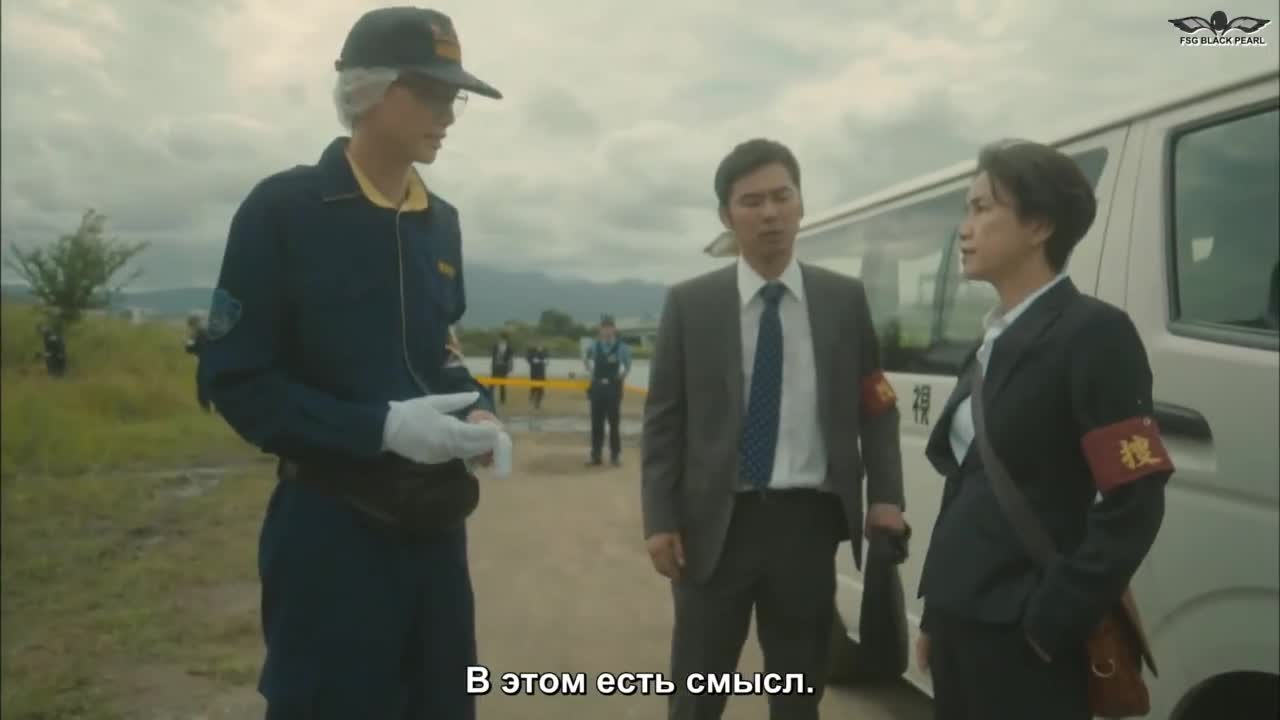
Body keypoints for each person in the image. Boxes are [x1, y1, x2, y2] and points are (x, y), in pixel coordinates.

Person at [195, 7, 508, 718]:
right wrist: (378, 429)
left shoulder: (441, 223)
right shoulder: (285, 210)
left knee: (443, 700)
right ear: (370, 90)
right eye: (431, 92)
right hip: (331, 531)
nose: (448, 115)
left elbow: (441, 357)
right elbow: (236, 380)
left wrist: (479, 410)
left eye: (454, 97)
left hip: (436, 530)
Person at [641, 138, 907, 720]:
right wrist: (660, 520)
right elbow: (663, 421)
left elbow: (876, 405)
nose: (770, 213)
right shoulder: (690, 304)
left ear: (801, 204)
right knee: (698, 690)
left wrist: (886, 496)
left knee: (797, 692)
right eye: (752, 201)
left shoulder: (842, 300)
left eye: (782, 197)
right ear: (726, 216)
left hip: (806, 525)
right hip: (715, 526)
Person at [914, 139, 1173, 720]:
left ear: (1039, 226)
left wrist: (1052, 620)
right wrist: (936, 612)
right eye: (966, 209)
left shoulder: (1095, 334)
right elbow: (967, 485)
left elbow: (1136, 499)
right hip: (960, 622)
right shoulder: (990, 341)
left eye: (982, 208)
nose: (964, 228)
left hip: (1026, 640)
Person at [584, 315, 631, 467]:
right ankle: (596, 456)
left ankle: (615, 456)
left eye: (610, 327)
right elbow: (586, 359)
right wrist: (592, 374)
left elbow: (627, 367)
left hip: (613, 387)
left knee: (614, 422)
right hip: (597, 387)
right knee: (596, 422)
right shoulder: (594, 345)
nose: (607, 330)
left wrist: (619, 379)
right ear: (600, 329)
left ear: (614, 329)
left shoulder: (622, 347)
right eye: (604, 328)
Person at [185, 312, 212, 411]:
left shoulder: (200, 333)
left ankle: (206, 408)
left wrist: (189, 341)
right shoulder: (209, 331)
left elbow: (191, 350)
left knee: (202, 385)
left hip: (206, 362)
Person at [489, 330, 514, 404]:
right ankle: (489, 397)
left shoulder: (509, 348)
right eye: (501, 339)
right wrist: (492, 365)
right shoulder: (495, 347)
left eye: (504, 339)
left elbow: (510, 359)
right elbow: (493, 357)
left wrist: (510, 368)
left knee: (502, 385)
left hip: (504, 368)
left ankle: (502, 400)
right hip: (496, 367)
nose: (502, 340)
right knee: (491, 384)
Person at [525, 339, 549, 410]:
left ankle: (537, 403)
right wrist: (532, 361)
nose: (539, 346)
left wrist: (544, 361)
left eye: (540, 345)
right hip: (534, 373)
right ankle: (532, 397)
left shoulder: (544, 352)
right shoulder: (532, 352)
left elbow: (547, 361)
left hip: (541, 373)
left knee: (540, 389)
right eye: (538, 345)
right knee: (534, 387)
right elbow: (528, 358)